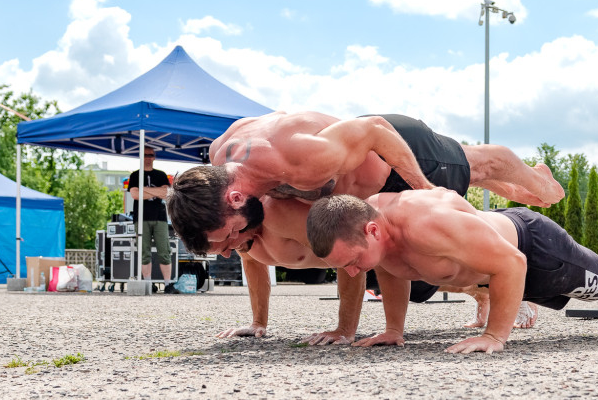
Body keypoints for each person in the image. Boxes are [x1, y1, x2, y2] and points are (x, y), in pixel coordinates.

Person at [168, 112, 564, 342]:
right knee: (413, 264)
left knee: (479, 166)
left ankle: (539, 182)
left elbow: (374, 128)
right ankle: (520, 185)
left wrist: (425, 190)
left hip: (397, 158)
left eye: (227, 235)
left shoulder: (301, 160)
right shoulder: (223, 164)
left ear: (234, 199)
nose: (231, 245)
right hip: (367, 177)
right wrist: (259, 323)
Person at [306, 190, 598, 354]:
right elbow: (392, 271)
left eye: (352, 260)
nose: (353, 272)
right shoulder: (373, 227)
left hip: (529, 246)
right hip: (494, 258)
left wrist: (495, 335)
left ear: (372, 230)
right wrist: (393, 330)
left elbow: (512, 263)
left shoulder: (426, 224)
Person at [128, 147, 172, 292]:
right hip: (141, 218)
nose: (148, 157)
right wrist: (155, 191)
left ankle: (167, 284)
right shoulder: (135, 175)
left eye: (150, 155)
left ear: (154, 157)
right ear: (141, 157)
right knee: (144, 251)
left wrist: (144, 190)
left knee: (164, 250)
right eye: (145, 155)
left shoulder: (161, 175)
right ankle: (148, 283)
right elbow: (134, 194)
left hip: (160, 217)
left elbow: (166, 193)